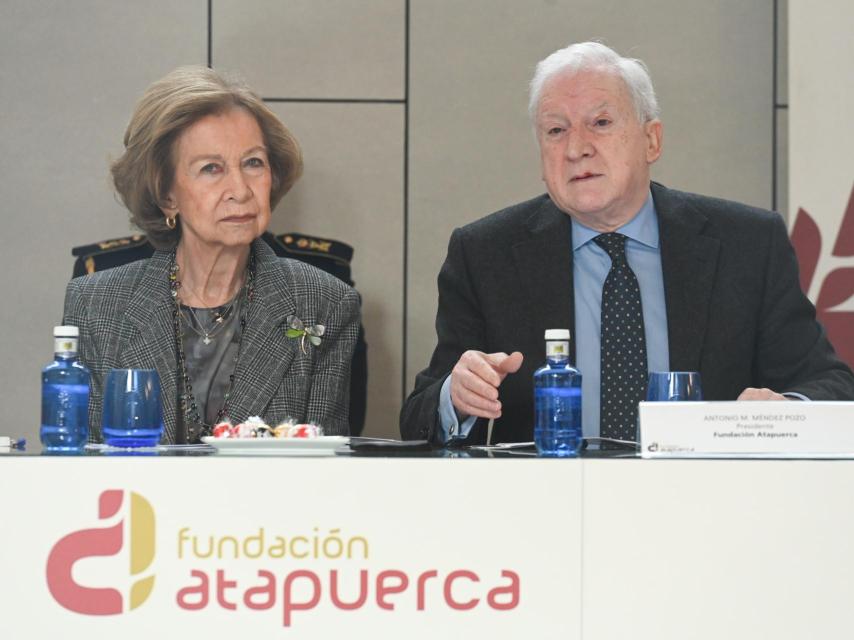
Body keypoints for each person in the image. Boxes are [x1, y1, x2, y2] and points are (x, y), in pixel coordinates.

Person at [400, 41, 854, 446]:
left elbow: (829, 383)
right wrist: (455, 396)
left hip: (710, 511)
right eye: (556, 131)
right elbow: (418, 416)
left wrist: (784, 410)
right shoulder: (486, 254)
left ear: (651, 140)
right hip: (544, 517)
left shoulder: (747, 244)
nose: (576, 148)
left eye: (600, 122)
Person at [63, 66, 360, 443]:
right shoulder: (96, 305)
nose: (240, 189)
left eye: (253, 162)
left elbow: (324, 471)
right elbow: (81, 469)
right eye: (211, 169)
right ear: (167, 194)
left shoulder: (323, 302)